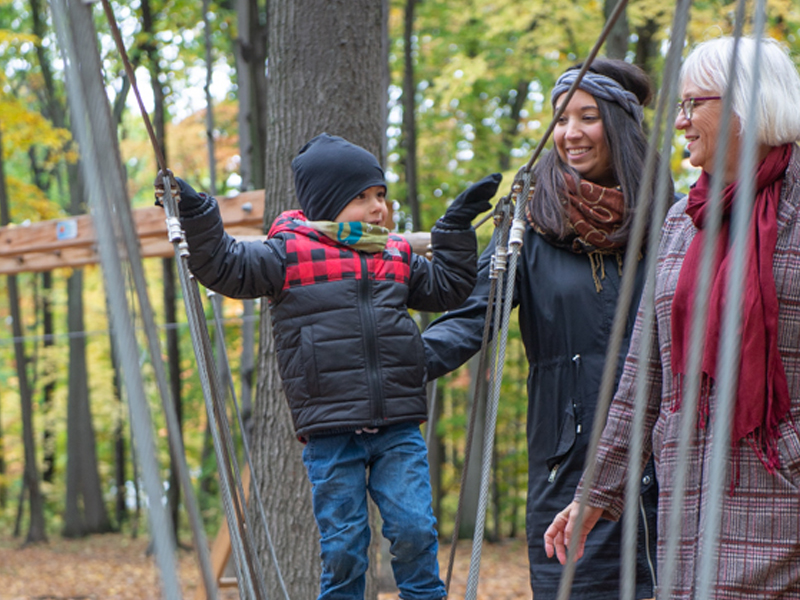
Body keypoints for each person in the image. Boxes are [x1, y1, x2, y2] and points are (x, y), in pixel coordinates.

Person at [155, 132, 502, 600]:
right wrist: (196, 213)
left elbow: (448, 288)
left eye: (380, 194)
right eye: (361, 197)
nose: (377, 207)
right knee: (344, 548)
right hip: (331, 430)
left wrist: (457, 226)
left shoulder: (394, 254)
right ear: (326, 202)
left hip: (397, 425)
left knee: (415, 529)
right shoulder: (286, 254)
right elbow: (224, 265)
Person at [544, 36, 800, 599]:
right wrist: (597, 491)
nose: (680, 122)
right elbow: (642, 376)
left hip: (783, 489)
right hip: (688, 495)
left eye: (692, 105)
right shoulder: (683, 220)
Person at [422, 59, 672, 599]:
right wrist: (393, 364)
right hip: (568, 466)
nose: (569, 133)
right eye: (560, 119)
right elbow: (471, 318)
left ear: (621, 123)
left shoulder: (674, 222)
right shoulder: (531, 225)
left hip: (669, 463)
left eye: (587, 116)